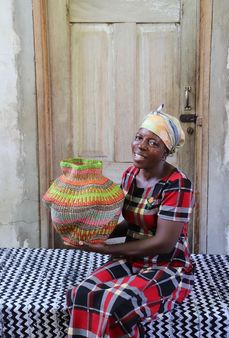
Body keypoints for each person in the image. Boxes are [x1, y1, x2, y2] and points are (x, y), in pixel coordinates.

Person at [66, 105, 195, 338]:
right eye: (139, 137)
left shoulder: (177, 184)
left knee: (116, 303)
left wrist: (106, 249)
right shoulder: (130, 175)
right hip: (132, 259)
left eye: (153, 142)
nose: (141, 146)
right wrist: (93, 235)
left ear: (167, 151)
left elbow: (163, 243)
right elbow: (132, 221)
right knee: (82, 293)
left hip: (165, 267)